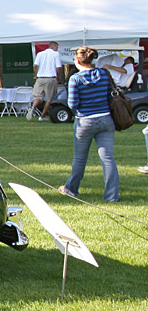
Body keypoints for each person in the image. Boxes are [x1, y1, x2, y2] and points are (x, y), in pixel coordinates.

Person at [60, 46, 119, 202]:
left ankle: (71, 189)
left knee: (80, 159)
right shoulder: (104, 74)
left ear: (78, 60)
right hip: (106, 119)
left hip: (84, 121)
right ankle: (112, 196)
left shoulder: (75, 79)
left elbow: (72, 103)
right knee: (108, 159)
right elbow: (109, 96)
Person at [27, 41, 63, 121]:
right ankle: (42, 116)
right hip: (50, 78)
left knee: (39, 97)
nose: (57, 49)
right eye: (57, 47)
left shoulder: (40, 54)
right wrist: (59, 77)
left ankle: (32, 108)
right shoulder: (55, 54)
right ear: (53, 47)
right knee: (50, 99)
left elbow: (35, 66)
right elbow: (59, 67)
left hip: (40, 78)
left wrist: (36, 75)